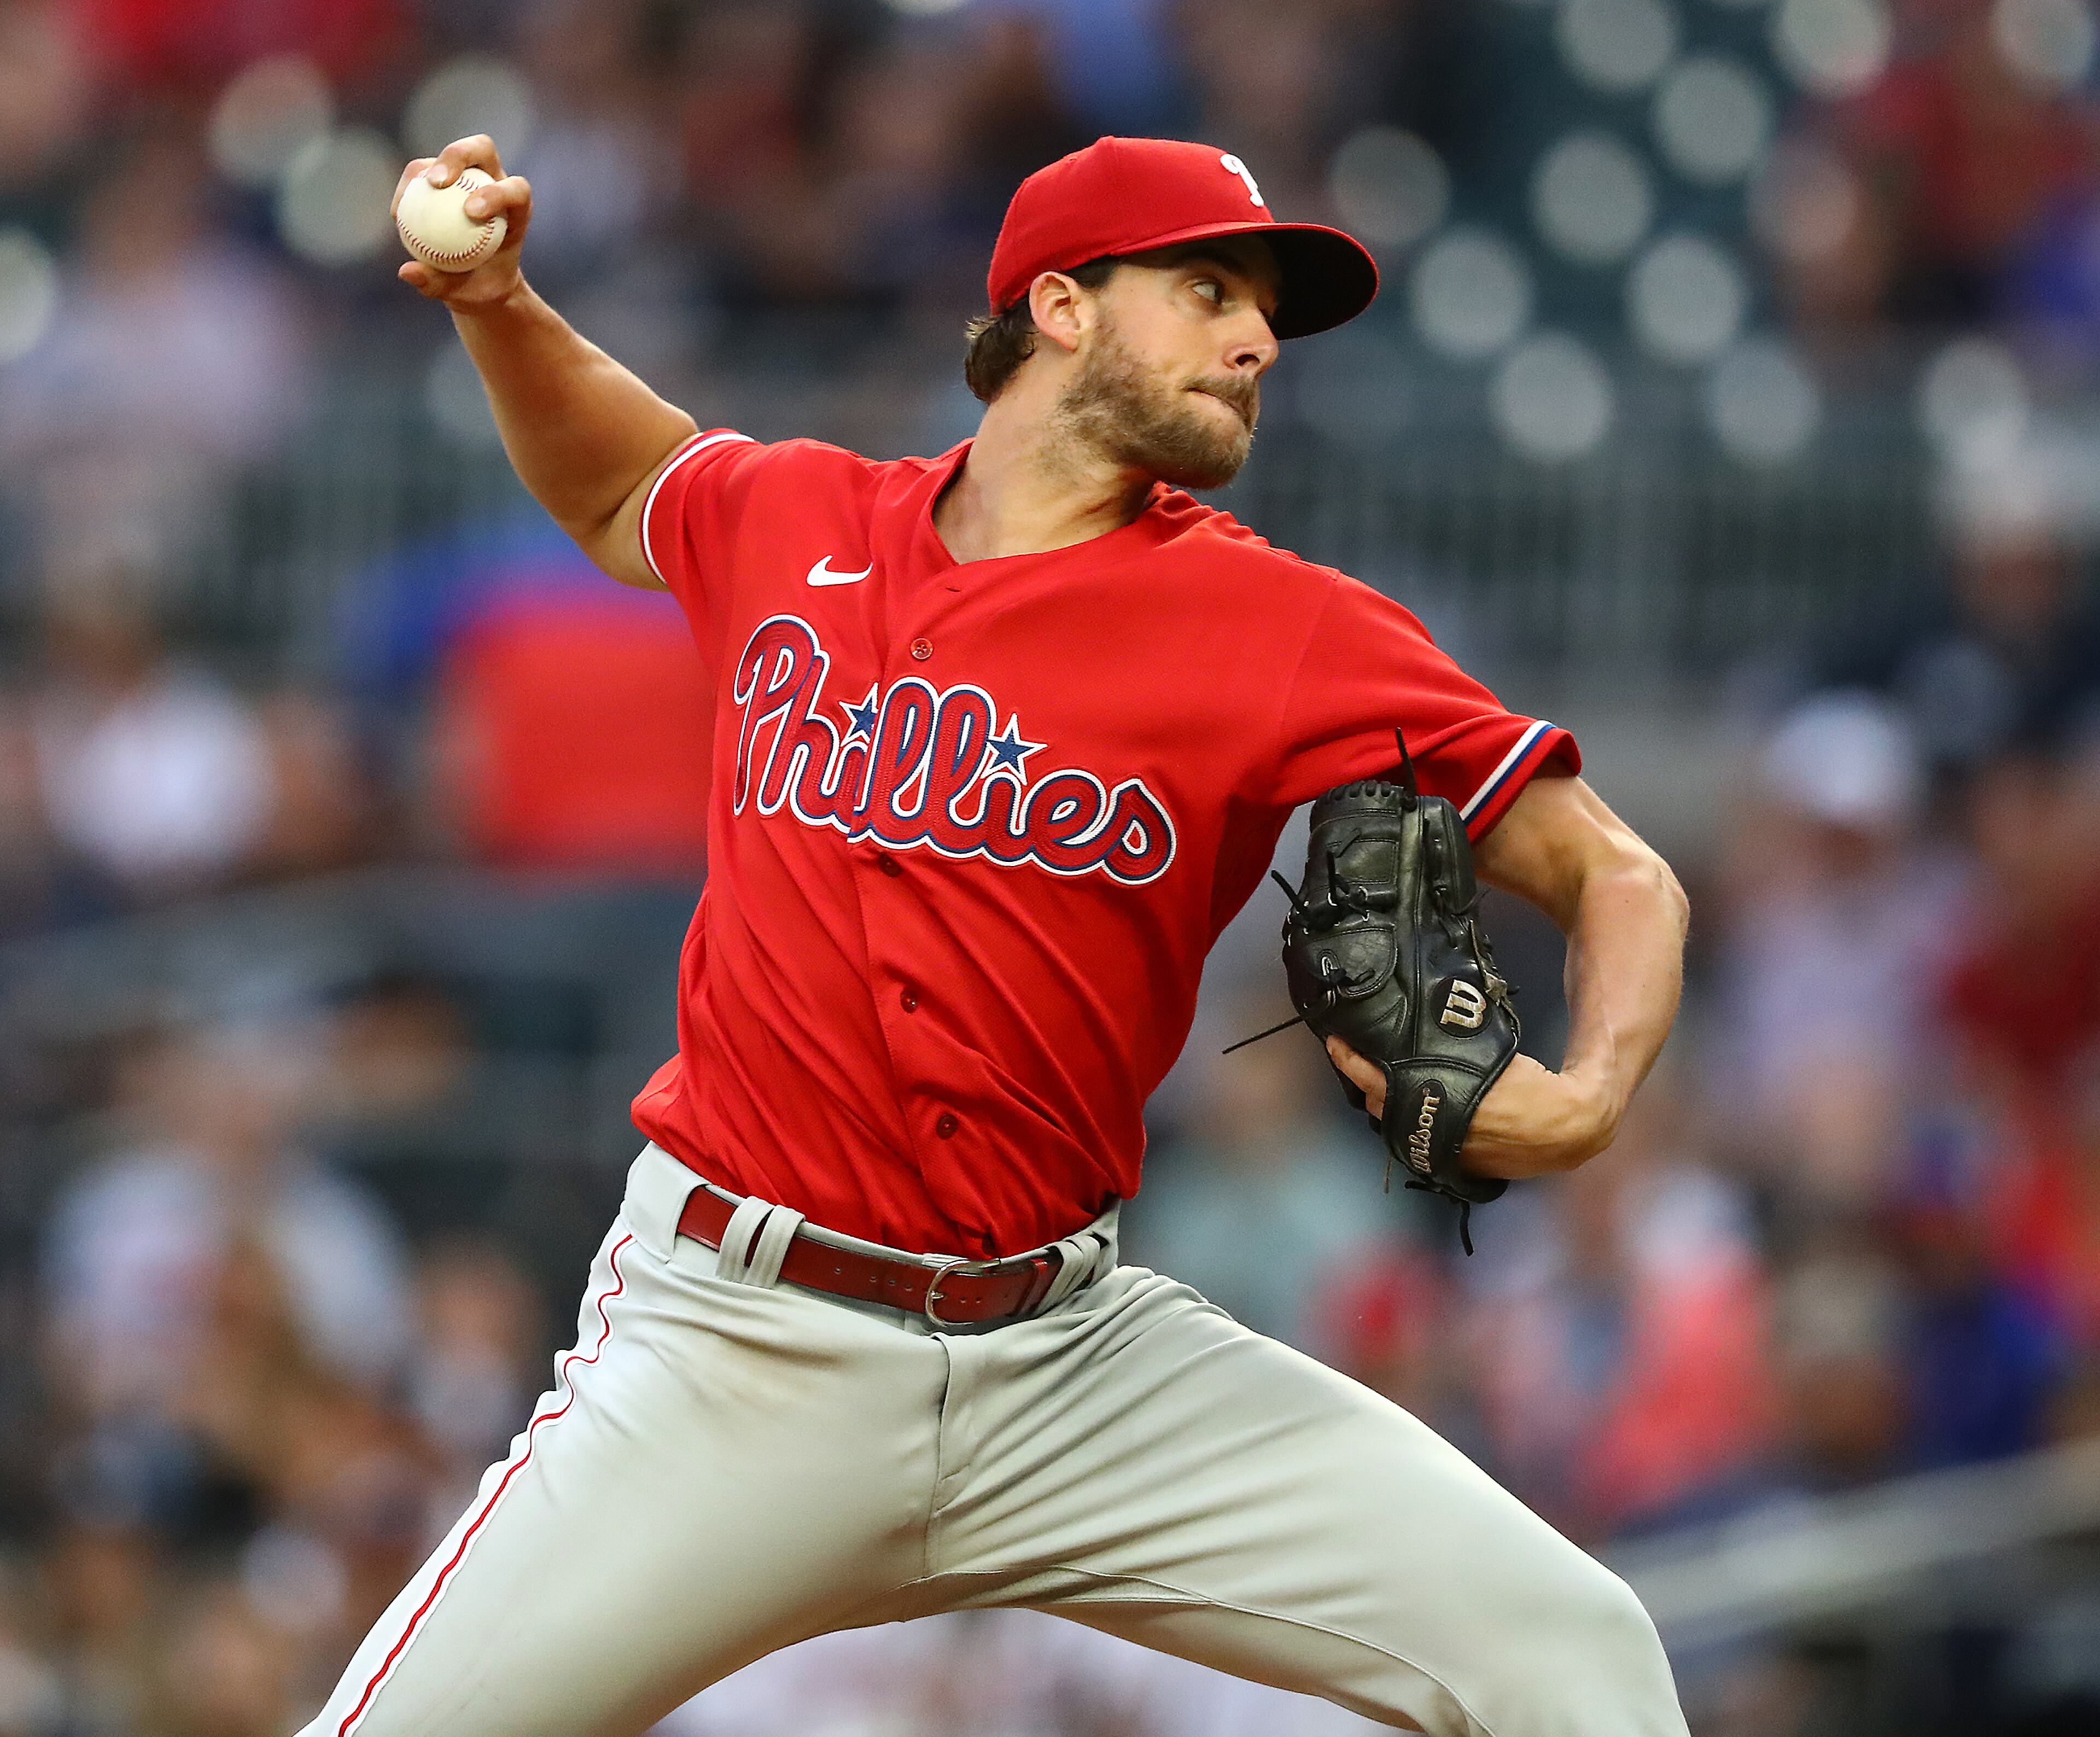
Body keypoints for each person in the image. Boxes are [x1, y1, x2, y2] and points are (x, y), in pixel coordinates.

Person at [303, 133, 1691, 1737]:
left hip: (1073, 1366)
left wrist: (1587, 1096)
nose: (1255, 342)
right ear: (1062, 306)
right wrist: (494, 300)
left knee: (1578, 1657)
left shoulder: (1276, 626)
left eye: (1264, 313)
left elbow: (1620, 874)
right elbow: (623, 479)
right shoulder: (798, 521)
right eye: (1206, 289)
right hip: (739, 1352)